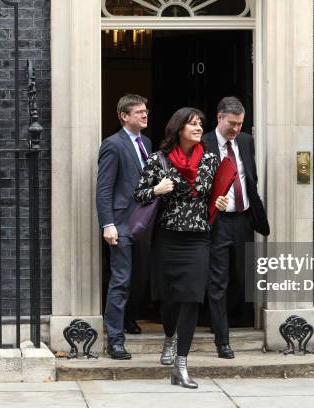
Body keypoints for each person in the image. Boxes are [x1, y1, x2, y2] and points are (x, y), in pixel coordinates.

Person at [134, 107, 228, 389]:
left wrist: (220, 204)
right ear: (179, 129)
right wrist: (156, 190)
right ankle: (169, 337)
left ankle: (181, 365)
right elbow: (138, 195)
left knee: (191, 298)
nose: (199, 128)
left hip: (198, 239)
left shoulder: (211, 160)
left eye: (201, 123)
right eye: (193, 124)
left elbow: (214, 196)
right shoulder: (158, 160)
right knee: (170, 298)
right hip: (167, 238)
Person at [202, 96, 270, 359]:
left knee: (242, 276)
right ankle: (222, 339)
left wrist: (258, 215)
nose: (236, 129)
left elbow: (249, 179)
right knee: (217, 280)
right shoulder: (203, 143)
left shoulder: (246, 141)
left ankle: (225, 319)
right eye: (232, 124)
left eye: (240, 124)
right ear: (219, 117)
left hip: (242, 219)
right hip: (217, 222)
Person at [97, 94, 152, 360]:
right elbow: (104, 189)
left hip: (145, 223)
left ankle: (129, 319)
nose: (145, 115)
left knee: (141, 278)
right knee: (121, 281)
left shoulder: (147, 143)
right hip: (121, 223)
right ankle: (115, 340)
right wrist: (108, 224)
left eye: (145, 111)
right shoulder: (113, 145)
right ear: (124, 116)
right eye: (139, 112)